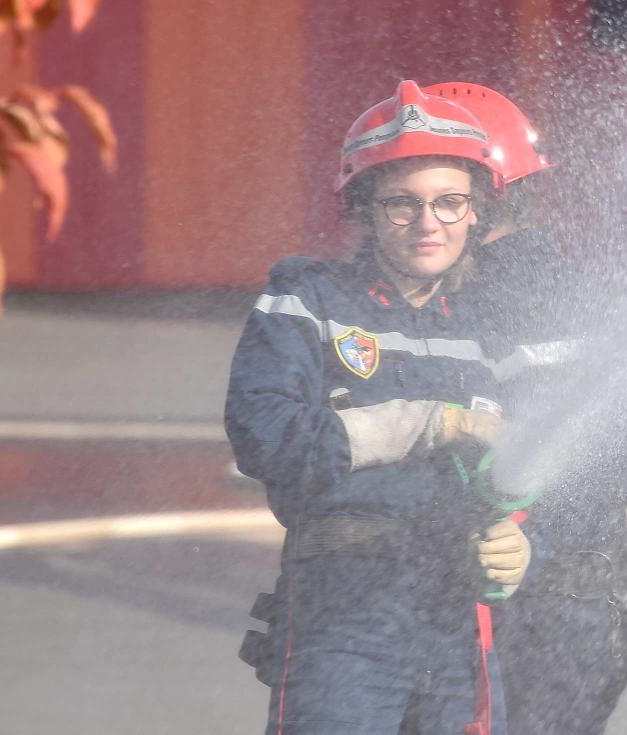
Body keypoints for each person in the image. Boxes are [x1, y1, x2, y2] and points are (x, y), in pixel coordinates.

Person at [226, 80, 533, 735]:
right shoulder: (308, 302)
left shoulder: (494, 332)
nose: (429, 223)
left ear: (477, 210)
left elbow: (528, 457)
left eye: (450, 202)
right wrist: (429, 422)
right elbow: (266, 438)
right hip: (342, 615)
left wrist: (519, 534)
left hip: (458, 626)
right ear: (364, 207)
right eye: (403, 203)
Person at [424, 82, 627, 735]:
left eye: (431, 190)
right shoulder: (444, 294)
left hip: (537, 617)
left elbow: (598, 457)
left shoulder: (532, 297)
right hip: (518, 614)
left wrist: (524, 542)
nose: (411, 216)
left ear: (481, 196)